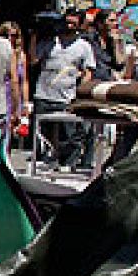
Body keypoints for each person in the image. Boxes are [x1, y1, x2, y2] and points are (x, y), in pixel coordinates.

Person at [32, 10, 98, 169]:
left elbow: (88, 72)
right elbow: (34, 59)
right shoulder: (50, 43)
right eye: (67, 22)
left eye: (73, 23)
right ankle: (46, 162)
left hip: (67, 97)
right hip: (43, 94)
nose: (69, 26)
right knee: (42, 135)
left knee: (69, 135)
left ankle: (67, 164)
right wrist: (34, 36)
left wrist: (79, 93)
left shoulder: (84, 46)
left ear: (79, 25)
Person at [85, 9, 124, 81]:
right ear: (100, 24)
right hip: (97, 77)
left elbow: (120, 65)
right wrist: (112, 73)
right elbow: (96, 65)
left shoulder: (114, 40)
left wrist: (116, 44)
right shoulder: (89, 40)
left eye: (116, 20)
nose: (116, 23)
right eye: (111, 21)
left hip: (113, 77)